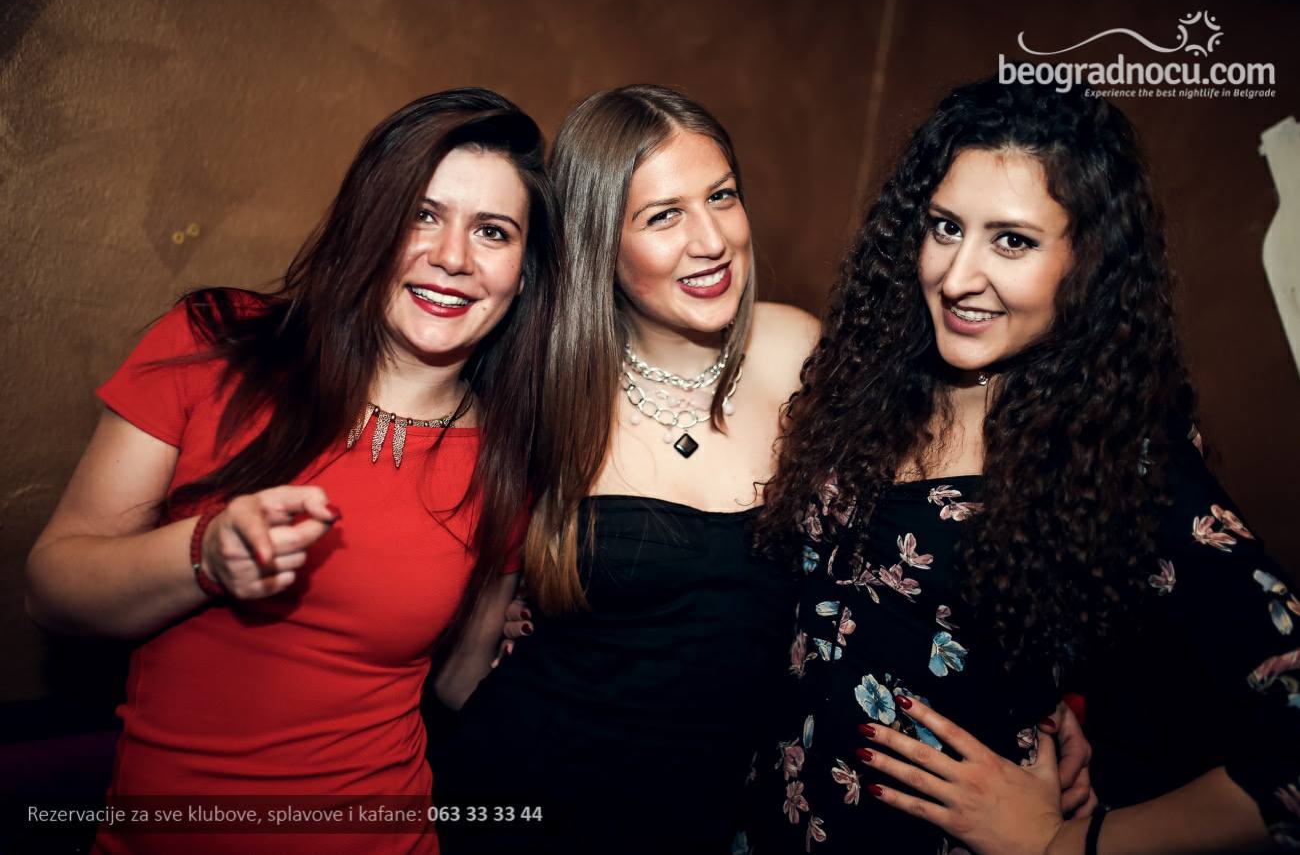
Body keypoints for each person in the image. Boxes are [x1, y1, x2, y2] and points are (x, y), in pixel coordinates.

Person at [747, 79, 1300, 853]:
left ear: (1088, 262)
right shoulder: (876, 383)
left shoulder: (1121, 456)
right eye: (945, 227)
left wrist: (1065, 844)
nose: (957, 276)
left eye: (1012, 241)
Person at [25, 87, 559, 855]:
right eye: (422, 214)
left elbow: (459, 680)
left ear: (523, 273)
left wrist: (555, 637)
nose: (453, 257)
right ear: (370, 221)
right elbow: (52, 588)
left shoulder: (507, 455)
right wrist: (204, 553)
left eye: (493, 231)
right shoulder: (215, 345)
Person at [429, 84, 821, 854]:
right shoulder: (543, 391)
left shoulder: (798, 352)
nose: (711, 240)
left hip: (710, 820)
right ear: (598, 241)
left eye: (722, 197)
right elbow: (456, 670)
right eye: (663, 216)